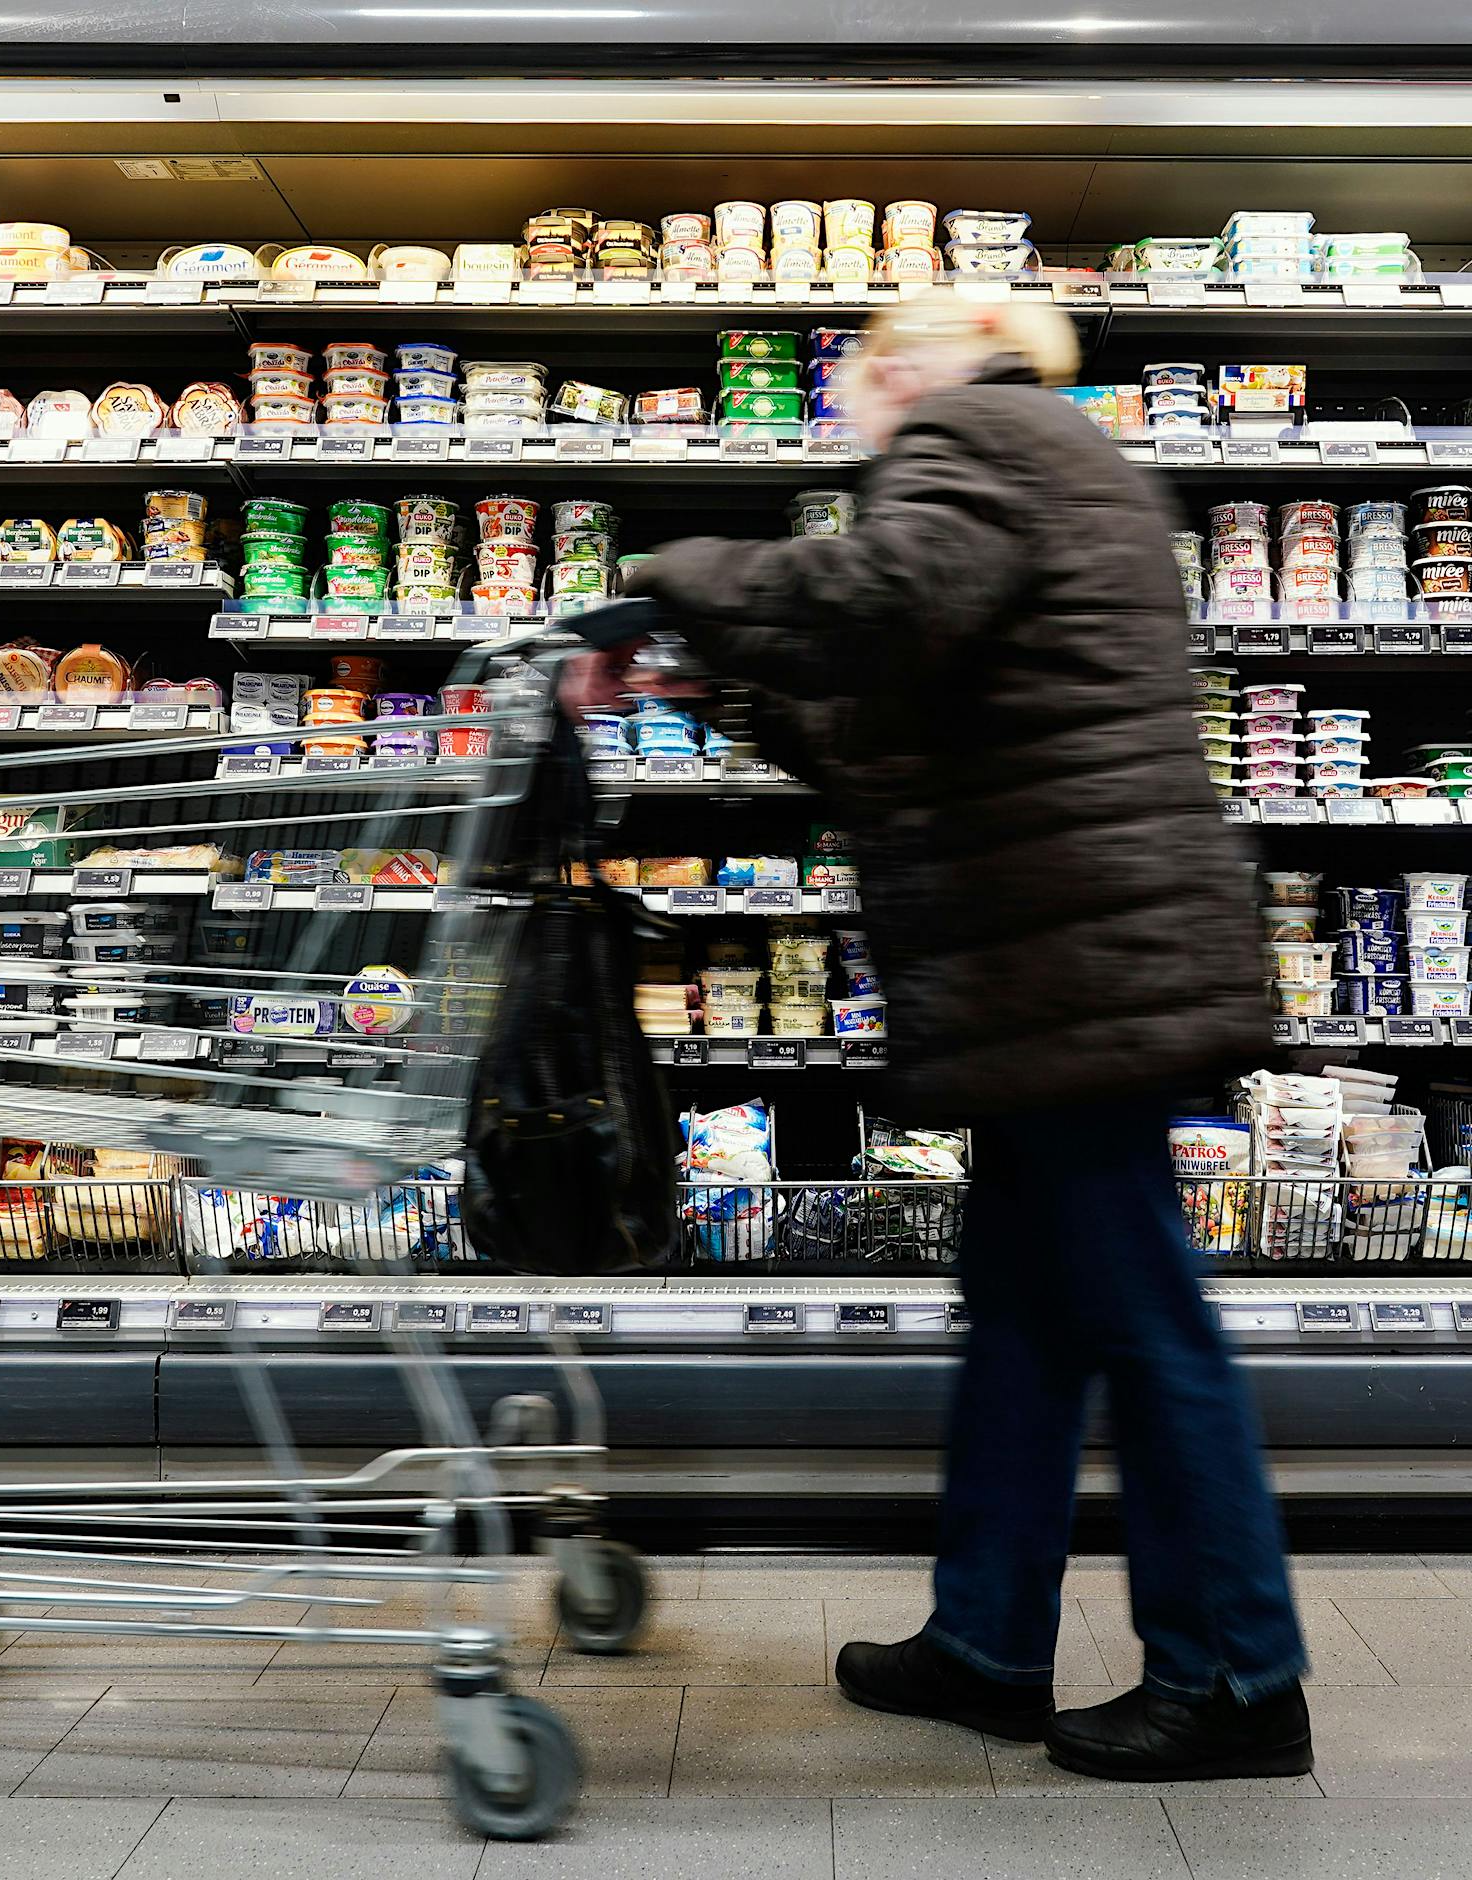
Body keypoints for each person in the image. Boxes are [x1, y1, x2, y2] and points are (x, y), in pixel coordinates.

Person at [587, 289, 1311, 1782]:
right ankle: (984, 1638)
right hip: (1064, 957)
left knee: (1144, 1321)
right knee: (1034, 1313)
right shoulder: (1045, 455)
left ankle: (1241, 1676)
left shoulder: (981, 427)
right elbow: (888, 731)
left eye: (854, 377)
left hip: (1077, 962)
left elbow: (887, 596)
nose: (847, 408)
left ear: (907, 362)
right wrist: (710, 676)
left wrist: (671, 574)